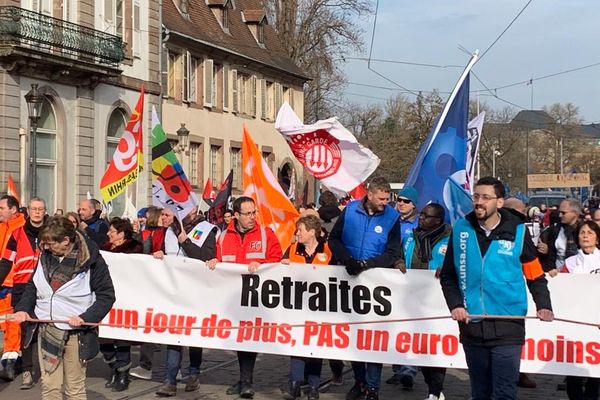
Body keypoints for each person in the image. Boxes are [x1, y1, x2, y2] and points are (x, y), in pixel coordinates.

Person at [440, 177, 553, 400]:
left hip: (507, 323)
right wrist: (455, 305)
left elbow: (535, 276)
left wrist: (544, 305)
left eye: (485, 197)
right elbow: (448, 276)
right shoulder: (461, 228)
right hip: (471, 323)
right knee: (480, 393)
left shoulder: (518, 232)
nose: (479, 202)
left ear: (499, 202)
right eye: (476, 196)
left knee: (503, 393)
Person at [13, 216, 115, 400]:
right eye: (44, 244)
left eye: (50, 244)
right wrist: (22, 309)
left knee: (74, 388)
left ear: (66, 241)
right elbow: (32, 287)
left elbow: (107, 295)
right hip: (47, 330)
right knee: (49, 387)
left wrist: (86, 316)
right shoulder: (45, 256)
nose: (46, 247)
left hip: (77, 333)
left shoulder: (92, 261)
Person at [328, 177, 402, 400]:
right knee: (354, 336)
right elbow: (334, 239)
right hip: (349, 279)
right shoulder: (350, 211)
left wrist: (368, 264)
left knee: (374, 337)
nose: (384, 203)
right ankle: (359, 381)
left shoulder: (392, 217)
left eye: (387, 199)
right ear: (369, 195)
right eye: (381, 198)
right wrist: (347, 259)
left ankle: (372, 386)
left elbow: (392, 251)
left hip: (376, 283)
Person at [206, 196, 282, 399]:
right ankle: (243, 378)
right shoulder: (223, 237)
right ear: (236, 215)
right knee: (238, 340)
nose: (252, 217)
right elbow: (219, 260)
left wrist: (262, 264)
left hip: (257, 299)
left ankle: (246, 381)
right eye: (247, 213)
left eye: (254, 212)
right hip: (232, 300)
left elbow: (277, 260)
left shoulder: (266, 235)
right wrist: (214, 261)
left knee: (248, 339)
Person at [155, 206, 218, 397]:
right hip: (174, 291)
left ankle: (193, 373)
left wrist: (185, 240)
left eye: (168, 213)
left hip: (197, 291)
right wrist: (159, 256)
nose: (164, 216)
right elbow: (164, 254)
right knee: (174, 334)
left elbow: (206, 257)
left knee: (193, 336)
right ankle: (170, 379)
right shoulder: (168, 231)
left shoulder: (208, 229)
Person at [395, 203, 450, 400]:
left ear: (437, 220)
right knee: (419, 346)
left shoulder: (450, 240)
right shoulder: (410, 236)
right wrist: (398, 262)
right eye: (422, 214)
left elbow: (461, 264)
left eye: (427, 216)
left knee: (435, 347)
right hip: (411, 300)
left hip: (438, 302)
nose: (421, 218)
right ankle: (431, 386)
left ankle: (435, 391)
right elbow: (399, 256)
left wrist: (447, 270)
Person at [281, 215, 333, 400]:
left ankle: (313, 386)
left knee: (315, 347)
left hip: (321, 307)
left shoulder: (328, 251)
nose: (297, 233)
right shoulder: (293, 249)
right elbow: (279, 271)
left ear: (312, 232)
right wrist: (283, 265)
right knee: (297, 344)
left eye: (301, 230)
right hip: (296, 306)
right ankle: (295, 382)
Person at [0, 197, 47, 387]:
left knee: (47, 328)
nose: (37, 212)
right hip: (21, 287)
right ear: (28, 210)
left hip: (46, 287)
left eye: (40, 209)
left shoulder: (52, 233)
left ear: (44, 211)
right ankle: (27, 370)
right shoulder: (17, 234)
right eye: (34, 209)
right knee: (26, 328)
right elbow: (5, 262)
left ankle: (48, 369)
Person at [99, 217, 144, 392]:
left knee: (122, 336)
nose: (108, 234)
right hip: (105, 298)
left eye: (111, 231)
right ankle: (114, 367)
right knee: (104, 337)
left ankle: (123, 374)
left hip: (126, 299)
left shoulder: (135, 249)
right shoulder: (104, 249)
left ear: (121, 234)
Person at [557, 220, 600, 399]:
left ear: (597, 238)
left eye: (590, 233)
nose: (585, 236)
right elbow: (562, 288)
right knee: (573, 368)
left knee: (595, 368)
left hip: (596, 322)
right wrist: (555, 275)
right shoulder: (570, 262)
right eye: (582, 232)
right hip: (576, 321)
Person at [387, 185, 419, 389]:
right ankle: (398, 368)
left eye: (406, 201)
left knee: (412, 325)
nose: (401, 203)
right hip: (390, 279)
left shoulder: (419, 223)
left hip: (413, 280)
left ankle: (410, 368)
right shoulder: (391, 221)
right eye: (399, 199)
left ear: (414, 205)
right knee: (394, 326)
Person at [0, 195, 25, 381]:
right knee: (5, 324)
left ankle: (10, 362)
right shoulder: (2, 227)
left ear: (13, 209)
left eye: (2, 208)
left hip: (14, 282)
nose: (0, 211)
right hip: (2, 281)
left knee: (12, 324)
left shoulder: (21, 228)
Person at [538, 198, 581, 274]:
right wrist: (547, 251)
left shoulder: (585, 230)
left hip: (580, 275)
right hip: (557, 275)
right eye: (559, 212)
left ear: (575, 213)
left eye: (563, 213)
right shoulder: (554, 230)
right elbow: (549, 256)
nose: (560, 215)